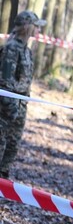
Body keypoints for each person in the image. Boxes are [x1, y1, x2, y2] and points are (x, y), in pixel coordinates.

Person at [0, 11, 47, 179]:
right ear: (27, 27)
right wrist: (11, 108)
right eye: (36, 26)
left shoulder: (27, 51)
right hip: (6, 107)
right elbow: (4, 81)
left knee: (12, 147)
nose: (38, 30)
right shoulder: (12, 48)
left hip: (20, 106)